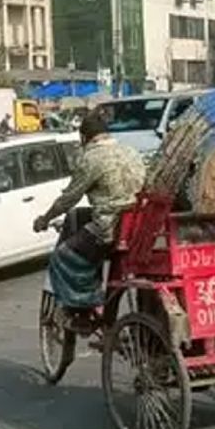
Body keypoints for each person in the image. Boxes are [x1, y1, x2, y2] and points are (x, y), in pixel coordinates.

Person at [32, 111, 146, 315]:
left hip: (108, 228)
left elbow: (68, 199)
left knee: (63, 256)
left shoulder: (90, 159)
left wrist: (44, 219)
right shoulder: (132, 152)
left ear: (84, 137)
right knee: (79, 215)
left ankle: (85, 304)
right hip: (137, 226)